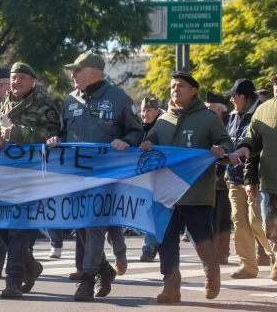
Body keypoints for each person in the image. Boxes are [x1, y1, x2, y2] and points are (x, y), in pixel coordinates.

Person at [46, 52, 143, 302]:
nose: (73, 74)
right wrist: (57, 140)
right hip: (76, 175)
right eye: (73, 70)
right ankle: (105, 269)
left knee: (94, 223)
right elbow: (65, 132)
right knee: (81, 225)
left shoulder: (119, 99)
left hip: (105, 175)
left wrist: (127, 140)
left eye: (78, 70)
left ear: (95, 72)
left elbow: (136, 131)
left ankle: (88, 280)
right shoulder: (70, 100)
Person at [140, 71, 234, 304]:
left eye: (181, 86)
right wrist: (146, 145)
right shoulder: (162, 120)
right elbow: (149, 144)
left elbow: (226, 144)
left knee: (202, 238)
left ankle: (212, 272)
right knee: (167, 241)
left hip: (196, 191)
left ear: (193, 90)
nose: (176, 89)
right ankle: (171, 287)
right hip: (166, 193)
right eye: (173, 86)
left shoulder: (208, 117)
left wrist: (220, 150)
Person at [0, 62, 60, 298]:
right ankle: (32, 266)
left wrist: (17, 133)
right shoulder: (2, 103)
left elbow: (52, 134)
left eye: (22, 78)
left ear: (32, 81)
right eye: (13, 78)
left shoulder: (44, 105)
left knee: (18, 229)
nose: (16, 82)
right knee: (3, 226)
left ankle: (14, 280)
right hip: (1, 175)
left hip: (29, 176)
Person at [222, 79, 276, 279]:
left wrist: (250, 181)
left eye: (233, 97)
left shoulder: (260, 113)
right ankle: (248, 266)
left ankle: (274, 258)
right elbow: (236, 144)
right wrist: (228, 174)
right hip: (234, 178)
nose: (231, 100)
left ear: (242, 97)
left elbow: (255, 152)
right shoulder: (233, 116)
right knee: (239, 222)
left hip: (255, 179)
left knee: (257, 223)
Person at [205, 92, 233, 265]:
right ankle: (214, 250)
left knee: (223, 218)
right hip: (209, 179)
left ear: (219, 110)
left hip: (224, 179)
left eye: (210, 109)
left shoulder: (228, 124)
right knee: (211, 217)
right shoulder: (208, 124)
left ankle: (222, 252)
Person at [140, 96, 163, 263]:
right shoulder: (137, 128)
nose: (145, 114)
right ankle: (151, 245)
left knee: (154, 212)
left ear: (157, 111)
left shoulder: (163, 127)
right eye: (143, 110)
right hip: (141, 177)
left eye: (149, 110)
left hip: (160, 176)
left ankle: (149, 248)